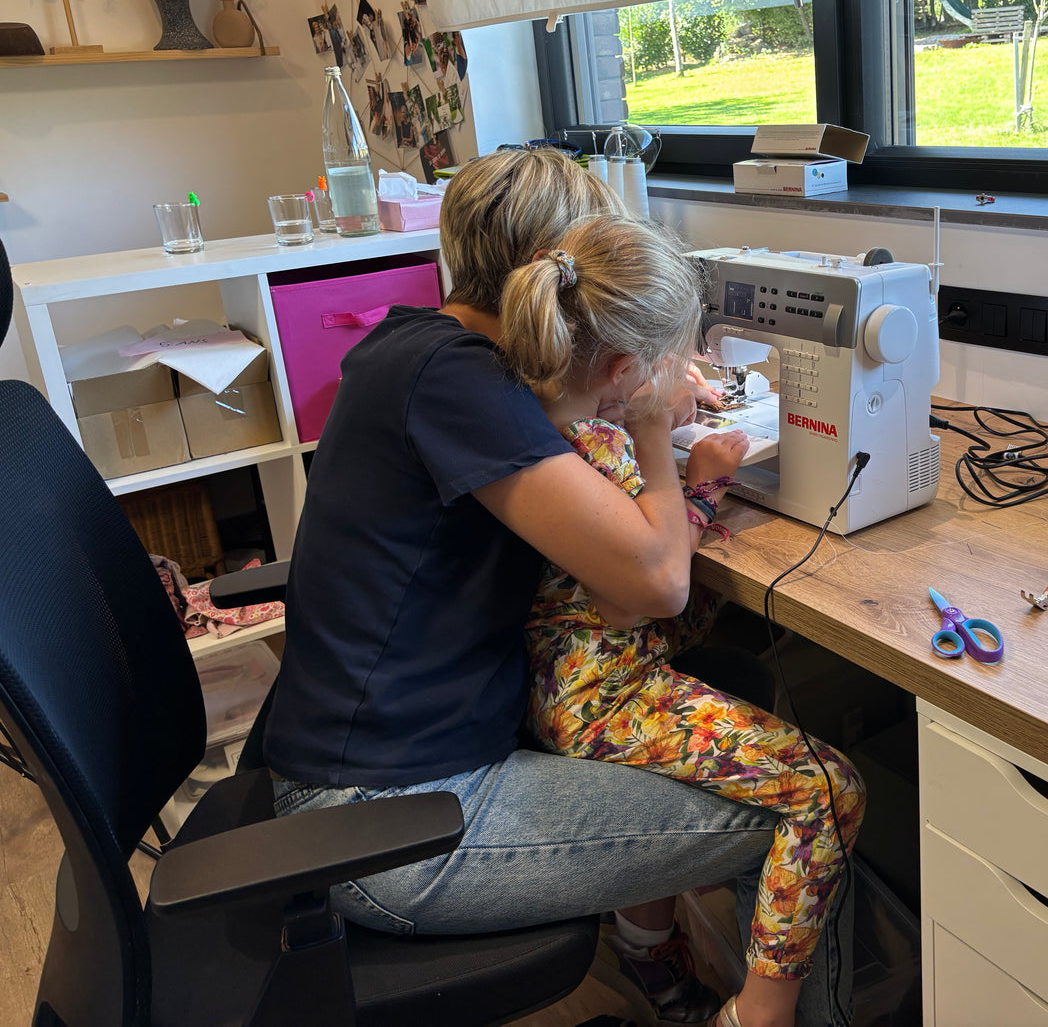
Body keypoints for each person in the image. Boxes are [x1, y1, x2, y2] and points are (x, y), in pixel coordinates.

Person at [261, 148, 854, 1027]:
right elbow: (652, 581)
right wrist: (650, 411)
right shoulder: (461, 381)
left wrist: (631, 405)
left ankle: (665, 976)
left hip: (380, 769)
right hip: (390, 826)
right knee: (816, 806)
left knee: (734, 698)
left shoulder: (419, 347)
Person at [506, 218, 866, 1027]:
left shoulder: (544, 416)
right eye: (671, 359)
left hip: (558, 675)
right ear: (628, 371)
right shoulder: (597, 447)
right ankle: (759, 1015)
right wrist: (695, 482)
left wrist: (660, 429)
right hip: (598, 693)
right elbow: (633, 600)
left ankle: (648, 948)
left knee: (740, 669)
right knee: (829, 788)